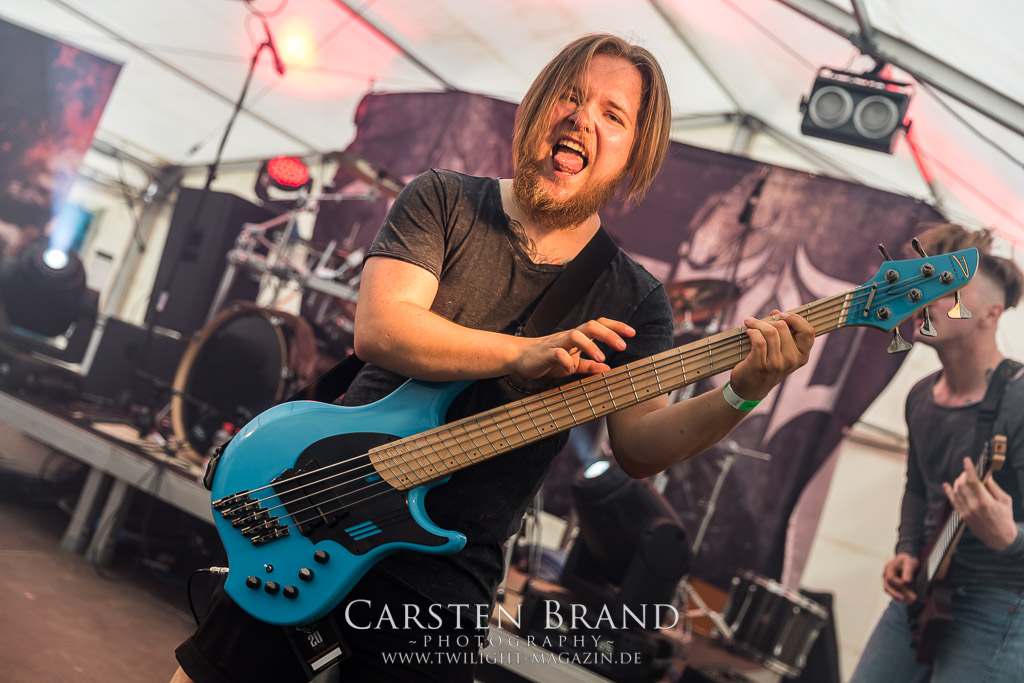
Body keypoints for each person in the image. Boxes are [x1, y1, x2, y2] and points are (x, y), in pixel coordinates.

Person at [171, 34, 813, 683]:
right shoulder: (444, 199)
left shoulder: (635, 299)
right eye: (569, 96)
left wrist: (743, 390)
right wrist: (523, 354)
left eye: (612, 114)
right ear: (535, 107)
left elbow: (641, 447)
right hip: (323, 505)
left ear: (633, 155)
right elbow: (383, 329)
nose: (582, 118)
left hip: (443, 578)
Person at [850, 223, 1024, 682]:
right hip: (924, 591)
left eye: (946, 292)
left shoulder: (1020, 400)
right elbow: (918, 487)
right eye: (923, 284)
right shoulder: (920, 396)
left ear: (990, 314)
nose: (923, 299)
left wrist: (1011, 538)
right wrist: (908, 549)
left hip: (1002, 603)